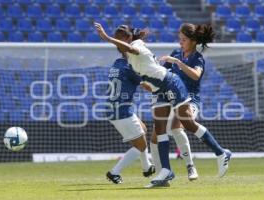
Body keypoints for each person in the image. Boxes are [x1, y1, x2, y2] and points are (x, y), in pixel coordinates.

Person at [94, 22, 231, 187]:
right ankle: (166, 171)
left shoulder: (136, 45)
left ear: (129, 38)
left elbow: (132, 49)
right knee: (159, 130)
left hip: (170, 84)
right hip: (160, 89)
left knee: (185, 123)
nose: (118, 43)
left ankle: (220, 152)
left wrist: (107, 37)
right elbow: (145, 69)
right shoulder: (127, 58)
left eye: (120, 39)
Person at [150, 23, 214, 181]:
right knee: (155, 136)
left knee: (176, 126)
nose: (180, 42)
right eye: (179, 39)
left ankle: (190, 166)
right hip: (171, 98)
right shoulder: (175, 53)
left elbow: (195, 76)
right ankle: (162, 173)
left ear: (193, 41)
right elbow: (163, 75)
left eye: (183, 39)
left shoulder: (197, 58)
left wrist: (178, 63)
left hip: (190, 99)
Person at [105, 55, 155, 184]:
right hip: (122, 111)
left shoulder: (117, 63)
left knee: (142, 128)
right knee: (141, 146)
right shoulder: (130, 68)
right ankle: (114, 172)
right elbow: (149, 87)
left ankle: (147, 167)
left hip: (115, 107)